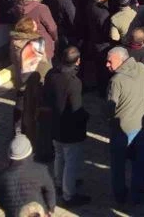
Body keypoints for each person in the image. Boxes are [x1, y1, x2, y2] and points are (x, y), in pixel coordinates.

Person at [106, 46, 144, 205]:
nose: (106, 64)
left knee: (118, 164)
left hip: (121, 129)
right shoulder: (141, 68)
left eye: (110, 61)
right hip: (140, 125)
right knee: (138, 162)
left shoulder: (116, 81)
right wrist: (138, 97)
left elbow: (110, 107)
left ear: (121, 60)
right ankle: (137, 194)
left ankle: (120, 195)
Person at [42, 46, 90, 207]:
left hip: (54, 124)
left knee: (59, 155)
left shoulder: (51, 74)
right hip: (70, 129)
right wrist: (85, 118)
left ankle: (58, 183)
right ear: (78, 61)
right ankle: (69, 195)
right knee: (70, 161)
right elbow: (76, 109)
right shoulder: (74, 83)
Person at [0, 134, 56, 217]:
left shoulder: (1, 177)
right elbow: (50, 191)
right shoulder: (41, 170)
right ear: (30, 151)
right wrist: (50, 209)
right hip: (38, 213)